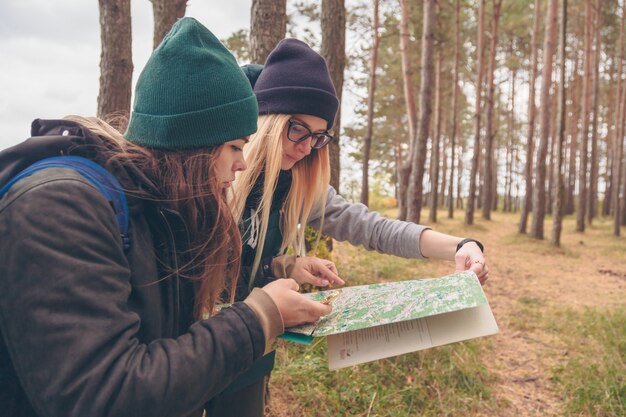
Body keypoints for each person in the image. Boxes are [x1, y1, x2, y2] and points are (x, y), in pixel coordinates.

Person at [0, 19, 330, 417]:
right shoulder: (61, 208)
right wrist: (259, 317)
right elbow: (104, 396)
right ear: (191, 144)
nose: (243, 164)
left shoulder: (163, 210)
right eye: (234, 146)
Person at [211, 38, 490, 416]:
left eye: (318, 136)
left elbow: (369, 226)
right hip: (192, 349)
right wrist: (281, 266)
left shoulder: (295, 182)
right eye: (298, 129)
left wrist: (459, 245)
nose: (307, 147)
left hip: (251, 355)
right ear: (268, 119)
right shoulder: (218, 168)